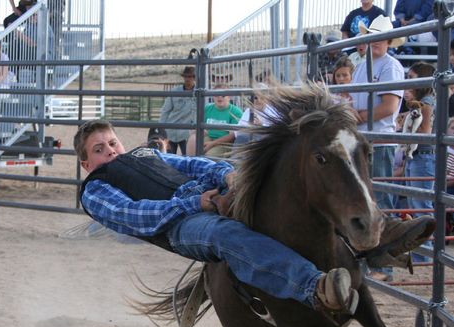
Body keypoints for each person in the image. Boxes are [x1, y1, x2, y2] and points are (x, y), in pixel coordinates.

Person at [74, 120, 434, 314]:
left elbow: (193, 163)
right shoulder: (97, 188)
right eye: (99, 150)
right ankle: (313, 287)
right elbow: (134, 216)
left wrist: (228, 176)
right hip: (180, 226)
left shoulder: (146, 155)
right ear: (87, 163)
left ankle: (380, 237)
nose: (110, 150)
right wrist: (194, 204)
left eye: (112, 142)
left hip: (207, 200)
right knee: (224, 235)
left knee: (285, 190)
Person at [350, 15, 406, 281]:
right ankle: (369, 262)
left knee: (380, 199)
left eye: (379, 38)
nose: (374, 43)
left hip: (379, 139)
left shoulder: (390, 66)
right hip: (365, 139)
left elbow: (389, 107)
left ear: (388, 41)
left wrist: (356, 115)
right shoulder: (364, 66)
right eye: (371, 37)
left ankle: (383, 266)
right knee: (366, 199)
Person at [403, 61, 436, 262]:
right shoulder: (425, 101)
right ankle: (421, 253)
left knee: (420, 205)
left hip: (422, 155)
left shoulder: (427, 102)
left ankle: (424, 255)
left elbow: (425, 131)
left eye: (412, 79)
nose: (408, 84)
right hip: (417, 155)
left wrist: (405, 129)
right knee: (417, 204)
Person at [186, 83, 243, 158]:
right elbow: (201, 129)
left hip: (224, 143)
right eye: (216, 95)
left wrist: (212, 143)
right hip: (209, 138)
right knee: (193, 140)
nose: (219, 97)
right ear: (213, 96)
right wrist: (194, 135)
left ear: (229, 97)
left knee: (209, 156)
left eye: (223, 95)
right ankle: (191, 164)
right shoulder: (207, 108)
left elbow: (232, 136)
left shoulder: (236, 112)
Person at [159, 66, 196, 155]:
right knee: (169, 158)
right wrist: (161, 129)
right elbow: (165, 111)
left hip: (187, 132)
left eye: (190, 77)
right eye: (186, 76)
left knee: (187, 157)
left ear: (194, 78)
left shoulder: (198, 93)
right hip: (172, 130)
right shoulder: (175, 91)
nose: (188, 79)